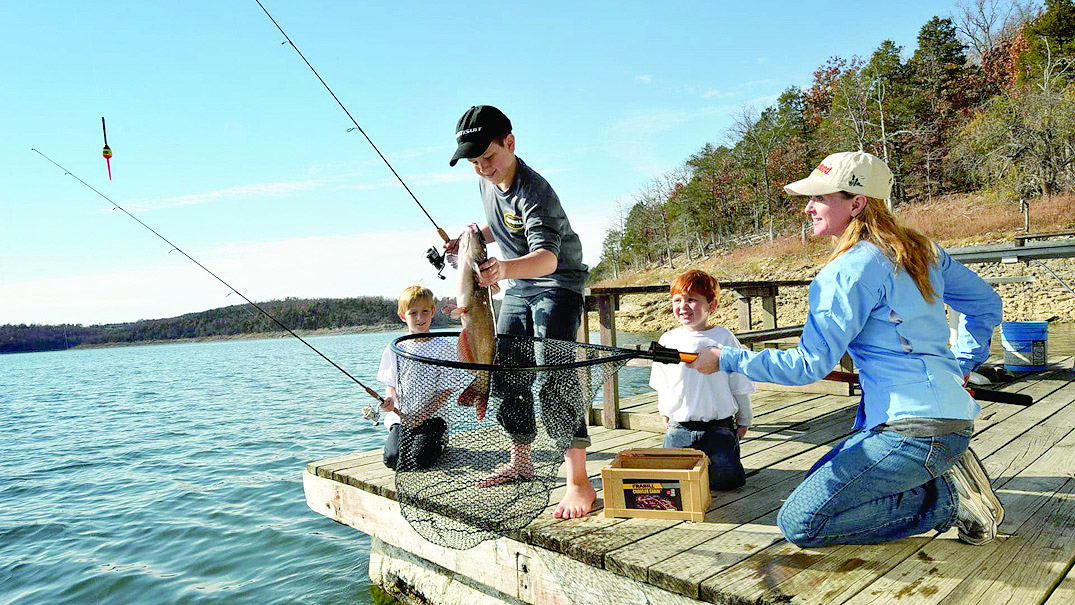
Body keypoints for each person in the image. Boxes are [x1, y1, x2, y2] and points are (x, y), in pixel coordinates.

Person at [688, 151, 1005, 547]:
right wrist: (963, 362)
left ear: (856, 203)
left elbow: (808, 365)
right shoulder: (924, 250)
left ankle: (950, 502)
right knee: (819, 481)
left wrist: (725, 359)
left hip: (912, 433)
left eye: (819, 197)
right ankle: (940, 472)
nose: (808, 207)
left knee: (802, 522)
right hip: (952, 422)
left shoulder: (846, 271)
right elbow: (986, 305)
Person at [447, 105, 594, 519]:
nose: (482, 169)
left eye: (488, 158)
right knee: (506, 367)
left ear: (510, 143)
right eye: (474, 163)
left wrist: (503, 269)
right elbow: (505, 224)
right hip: (517, 285)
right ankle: (521, 460)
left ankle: (578, 481)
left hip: (557, 283)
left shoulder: (536, 192)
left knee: (555, 371)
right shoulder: (487, 181)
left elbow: (547, 258)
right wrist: (472, 242)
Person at [649, 269, 755, 490]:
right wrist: (665, 412)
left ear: (712, 305)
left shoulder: (724, 337)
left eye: (692, 300)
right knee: (673, 485)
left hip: (720, 427)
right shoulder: (668, 340)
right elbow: (662, 383)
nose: (683, 306)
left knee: (727, 483)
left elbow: (739, 384)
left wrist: (744, 419)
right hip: (680, 426)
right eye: (677, 300)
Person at [378, 285, 455, 470]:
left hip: (433, 418)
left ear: (433, 312)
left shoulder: (442, 347)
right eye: (413, 313)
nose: (420, 319)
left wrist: (422, 416)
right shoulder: (395, 347)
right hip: (402, 417)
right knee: (392, 459)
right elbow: (391, 385)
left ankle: (440, 441)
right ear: (403, 315)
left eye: (425, 312)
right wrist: (389, 399)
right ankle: (405, 438)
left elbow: (447, 390)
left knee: (420, 459)